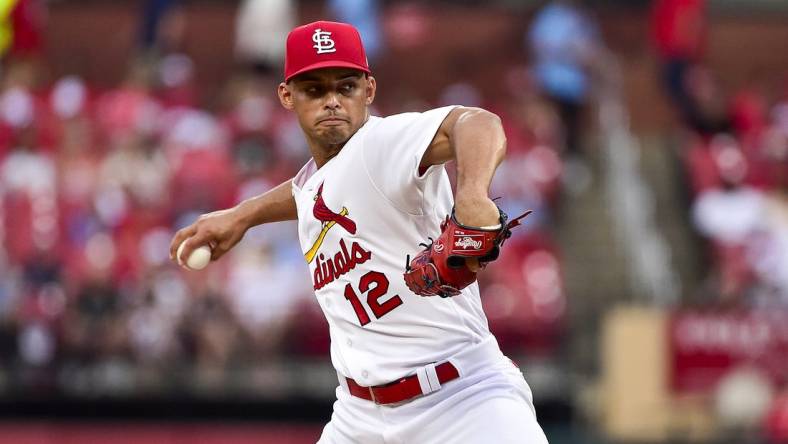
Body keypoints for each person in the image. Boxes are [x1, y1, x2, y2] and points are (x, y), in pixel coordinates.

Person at [170, 21, 548, 444]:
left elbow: (477, 123)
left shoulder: (382, 144)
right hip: (358, 417)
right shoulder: (320, 180)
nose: (332, 101)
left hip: (461, 402)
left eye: (345, 87)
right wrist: (242, 215)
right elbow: (308, 193)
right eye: (314, 90)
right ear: (286, 96)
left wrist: (473, 192)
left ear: (369, 90)